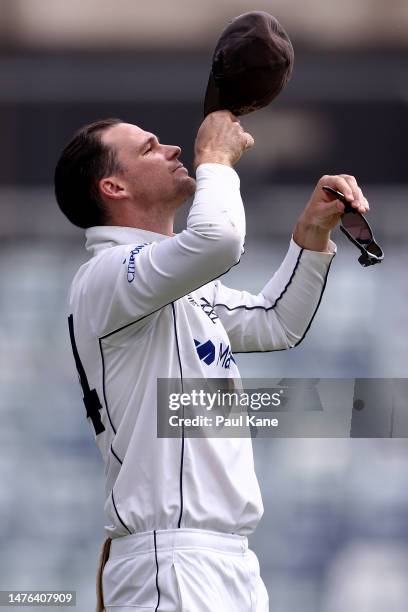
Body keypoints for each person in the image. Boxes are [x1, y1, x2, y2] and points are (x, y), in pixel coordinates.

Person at [55, 111, 369, 612]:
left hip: (229, 562)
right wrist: (216, 161)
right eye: (148, 148)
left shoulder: (171, 283)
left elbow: (274, 322)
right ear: (112, 186)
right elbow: (217, 241)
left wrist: (312, 230)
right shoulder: (106, 276)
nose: (172, 150)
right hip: (170, 562)